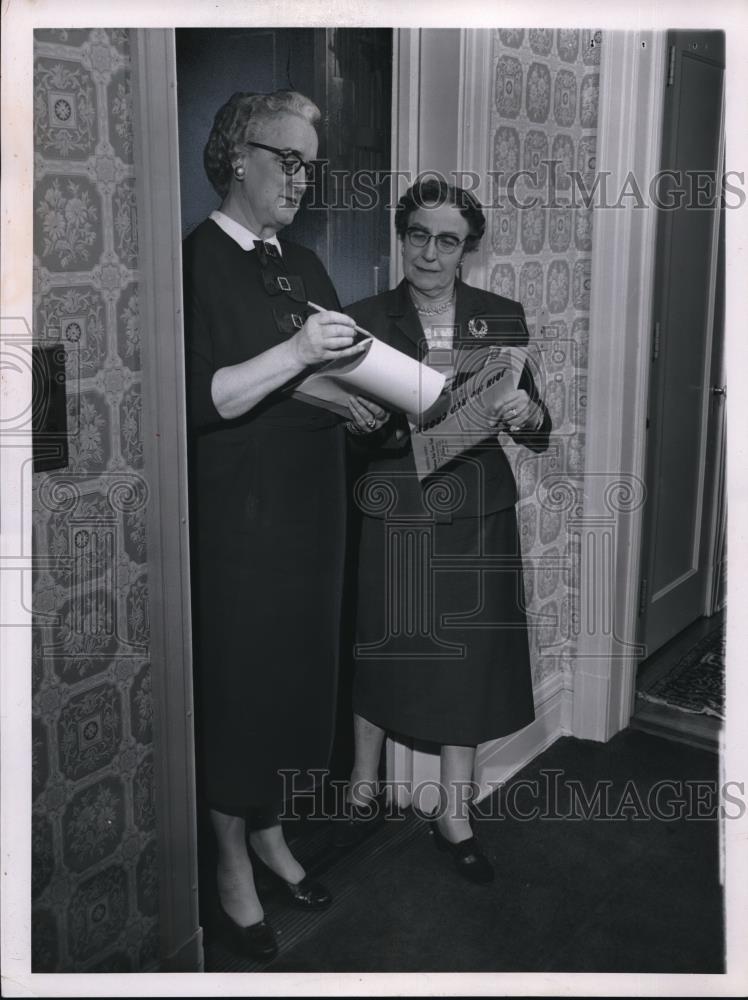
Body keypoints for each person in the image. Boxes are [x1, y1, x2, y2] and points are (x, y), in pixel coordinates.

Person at [182, 89, 386, 960]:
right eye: (289, 159)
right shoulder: (193, 262)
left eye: (311, 163)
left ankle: (269, 831)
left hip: (310, 509)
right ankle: (230, 854)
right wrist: (304, 356)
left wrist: (351, 400)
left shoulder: (301, 263)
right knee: (244, 687)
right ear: (239, 156)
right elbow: (211, 393)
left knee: (299, 681)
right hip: (241, 519)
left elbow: (304, 377)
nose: (303, 178)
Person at [340, 179, 552, 883]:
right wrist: (362, 427)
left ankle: (454, 811)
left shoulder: (501, 316)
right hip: (392, 503)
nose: (430, 252)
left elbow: (539, 424)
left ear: (468, 250)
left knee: (463, 662)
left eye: (448, 240)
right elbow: (339, 435)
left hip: (475, 513)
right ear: (402, 237)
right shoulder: (362, 317)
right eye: (418, 235)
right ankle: (363, 785)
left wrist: (526, 417)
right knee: (382, 642)